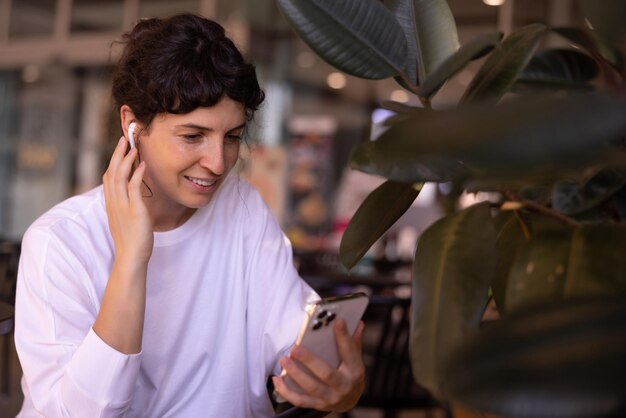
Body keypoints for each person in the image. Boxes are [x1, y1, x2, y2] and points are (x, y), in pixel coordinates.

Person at [14, 14, 365, 417]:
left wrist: (337, 385)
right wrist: (131, 258)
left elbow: (293, 344)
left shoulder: (241, 208)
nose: (218, 163)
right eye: (193, 136)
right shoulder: (60, 242)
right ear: (131, 126)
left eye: (231, 137)